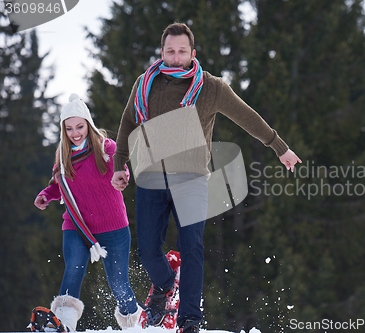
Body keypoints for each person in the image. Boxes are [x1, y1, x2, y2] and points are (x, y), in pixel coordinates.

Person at [111, 22, 301, 333]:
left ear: (192, 53)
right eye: (170, 51)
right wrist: (121, 162)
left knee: (192, 246)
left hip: (192, 179)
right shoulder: (145, 83)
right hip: (150, 177)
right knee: (147, 249)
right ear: (162, 52)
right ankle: (164, 284)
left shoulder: (211, 88)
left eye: (181, 51)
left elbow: (247, 116)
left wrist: (279, 147)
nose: (175, 57)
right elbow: (129, 121)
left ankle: (189, 320)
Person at [34, 94, 141, 331]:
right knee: (73, 268)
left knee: (118, 283)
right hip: (77, 224)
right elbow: (58, 185)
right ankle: (63, 325)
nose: (75, 133)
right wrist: (46, 194)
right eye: (69, 128)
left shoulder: (105, 148)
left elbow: (121, 166)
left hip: (112, 225)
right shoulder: (63, 157)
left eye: (79, 126)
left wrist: (122, 177)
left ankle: (135, 323)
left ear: (88, 124)